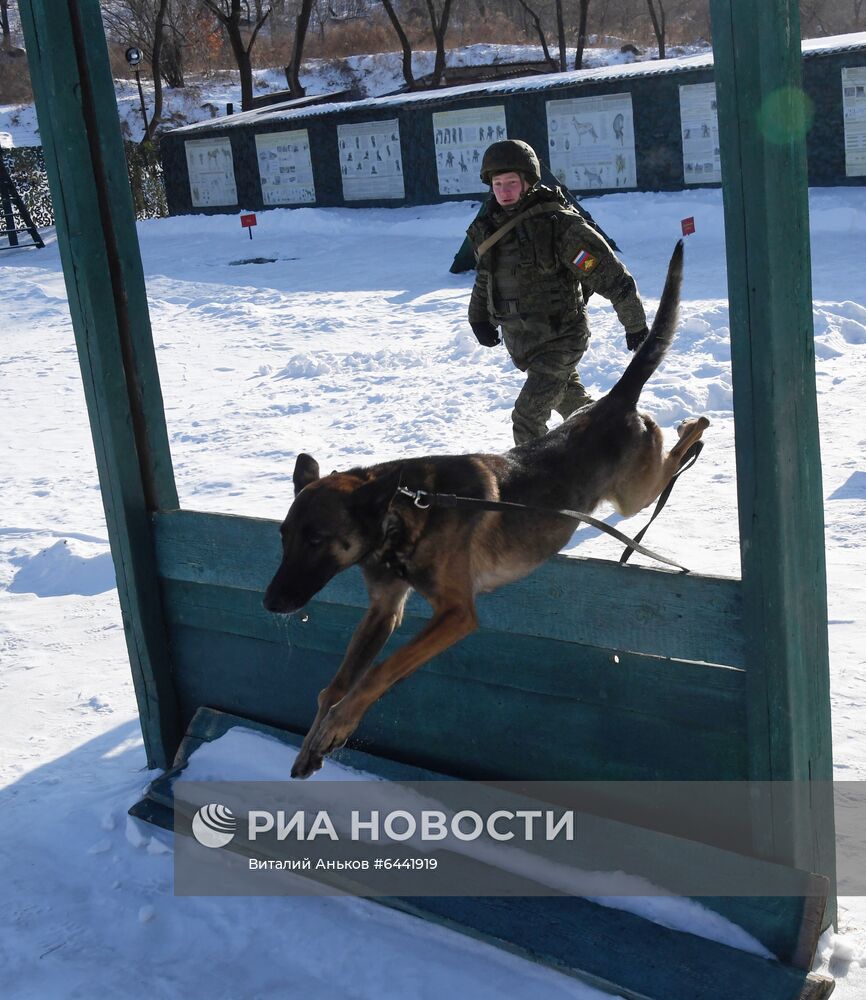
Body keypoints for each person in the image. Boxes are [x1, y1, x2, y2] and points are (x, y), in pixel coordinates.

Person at [466, 139, 649, 445]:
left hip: (561, 338)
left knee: (528, 417)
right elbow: (486, 277)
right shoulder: (489, 227)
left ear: (528, 183)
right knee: (574, 404)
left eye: (512, 182)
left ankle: (533, 487)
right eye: (498, 184)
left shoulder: (558, 227)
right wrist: (479, 318)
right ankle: (622, 446)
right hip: (524, 342)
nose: (504, 191)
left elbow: (610, 275)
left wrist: (635, 324)